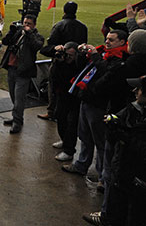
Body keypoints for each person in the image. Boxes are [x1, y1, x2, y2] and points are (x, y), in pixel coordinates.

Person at [61, 30, 128, 189]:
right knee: (85, 136)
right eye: (107, 39)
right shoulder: (104, 53)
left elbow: (106, 71)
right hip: (87, 99)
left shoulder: (120, 58)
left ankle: (102, 176)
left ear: (122, 42)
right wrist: (83, 55)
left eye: (111, 40)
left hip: (99, 104)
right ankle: (82, 164)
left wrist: (95, 55)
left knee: (101, 142)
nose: (107, 42)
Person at [82, 76, 146, 226]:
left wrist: (125, 136)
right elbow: (112, 137)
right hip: (121, 171)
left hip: (138, 180)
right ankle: (108, 217)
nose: (135, 91)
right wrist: (113, 127)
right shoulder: (133, 109)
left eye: (139, 89)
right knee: (117, 207)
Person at [38, 1, 88, 121]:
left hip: (60, 64)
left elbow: (50, 46)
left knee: (53, 87)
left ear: (64, 11)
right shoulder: (83, 27)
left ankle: (51, 111)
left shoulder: (59, 25)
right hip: (76, 65)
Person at [0, 14, 45, 134]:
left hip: (23, 71)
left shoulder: (37, 36)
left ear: (34, 25)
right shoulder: (18, 33)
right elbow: (5, 42)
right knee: (13, 95)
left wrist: (29, 33)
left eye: (29, 24)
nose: (26, 26)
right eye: (25, 23)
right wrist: (11, 31)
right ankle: (17, 117)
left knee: (19, 98)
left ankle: (17, 122)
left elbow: (37, 46)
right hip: (12, 67)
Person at [40, 42, 84, 161]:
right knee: (60, 117)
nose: (68, 58)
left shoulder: (79, 65)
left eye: (71, 55)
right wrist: (56, 52)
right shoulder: (61, 62)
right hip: (61, 95)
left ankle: (69, 150)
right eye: (67, 54)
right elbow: (43, 50)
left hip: (74, 98)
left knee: (71, 124)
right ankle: (65, 141)